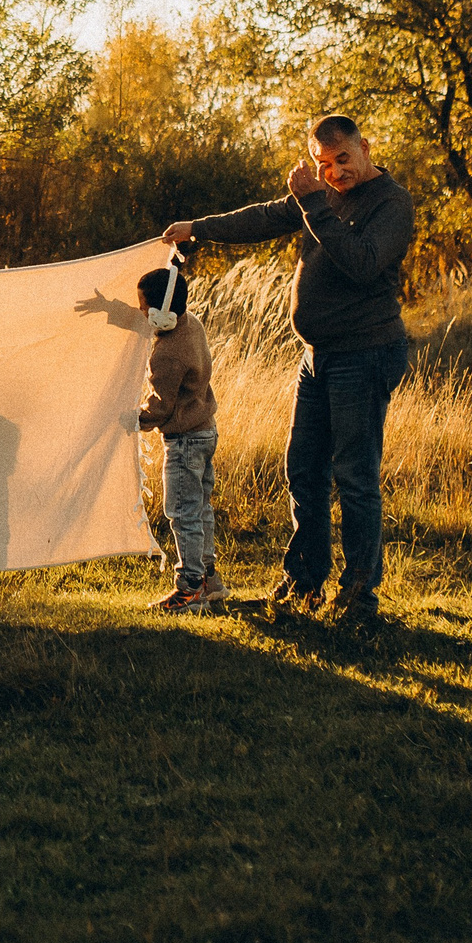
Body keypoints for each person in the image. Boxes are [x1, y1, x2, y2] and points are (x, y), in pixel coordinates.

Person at [163, 115, 413, 623]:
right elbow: (261, 219)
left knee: (355, 478)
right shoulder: (321, 196)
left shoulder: (392, 202)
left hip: (364, 354)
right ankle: (304, 584)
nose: (334, 172)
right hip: (317, 357)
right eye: (323, 164)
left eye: (342, 159)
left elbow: (363, 262)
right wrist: (199, 229)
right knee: (303, 471)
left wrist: (314, 202)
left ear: (364, 148)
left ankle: (359, 598)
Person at [135, 253, 219, 614]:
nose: (141, 313)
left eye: (144, 308)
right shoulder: (191, 324)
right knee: (200, 509)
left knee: (182, 514)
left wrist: (133, 419)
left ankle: (189, 588)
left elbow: (161, 407)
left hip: (184, 442)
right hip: (205, 432)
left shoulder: (167, 354)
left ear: (161, 315)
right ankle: (210, 580)